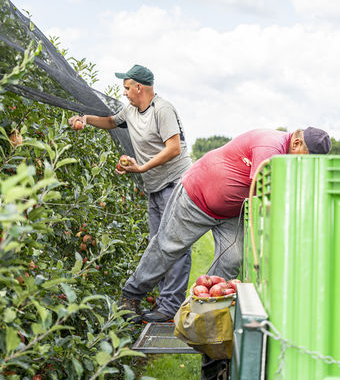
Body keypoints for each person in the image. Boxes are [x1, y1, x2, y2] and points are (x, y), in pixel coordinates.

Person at [121, 127, 332, 320]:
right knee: (167, 248)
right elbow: (266, 192)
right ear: (296, 144)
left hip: (231, 213)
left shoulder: (287, 157)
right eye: (305, 159)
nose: (303, 167)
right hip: (196, 197)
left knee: (232, 259)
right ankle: (130, 297)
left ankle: (202, 313)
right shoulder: (270, 146)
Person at [68, 64, 192, 323]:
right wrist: (86, 119)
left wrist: (141, 167)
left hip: (175, 183)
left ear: (139, 87)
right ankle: (164, 304)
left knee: (175, 244)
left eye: (126, 88)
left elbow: (174, 149)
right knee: (157, 244)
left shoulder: (163, 109)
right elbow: (112, 122)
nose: (123, 93)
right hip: (154, 186)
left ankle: (170, 307)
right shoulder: (131, 110)